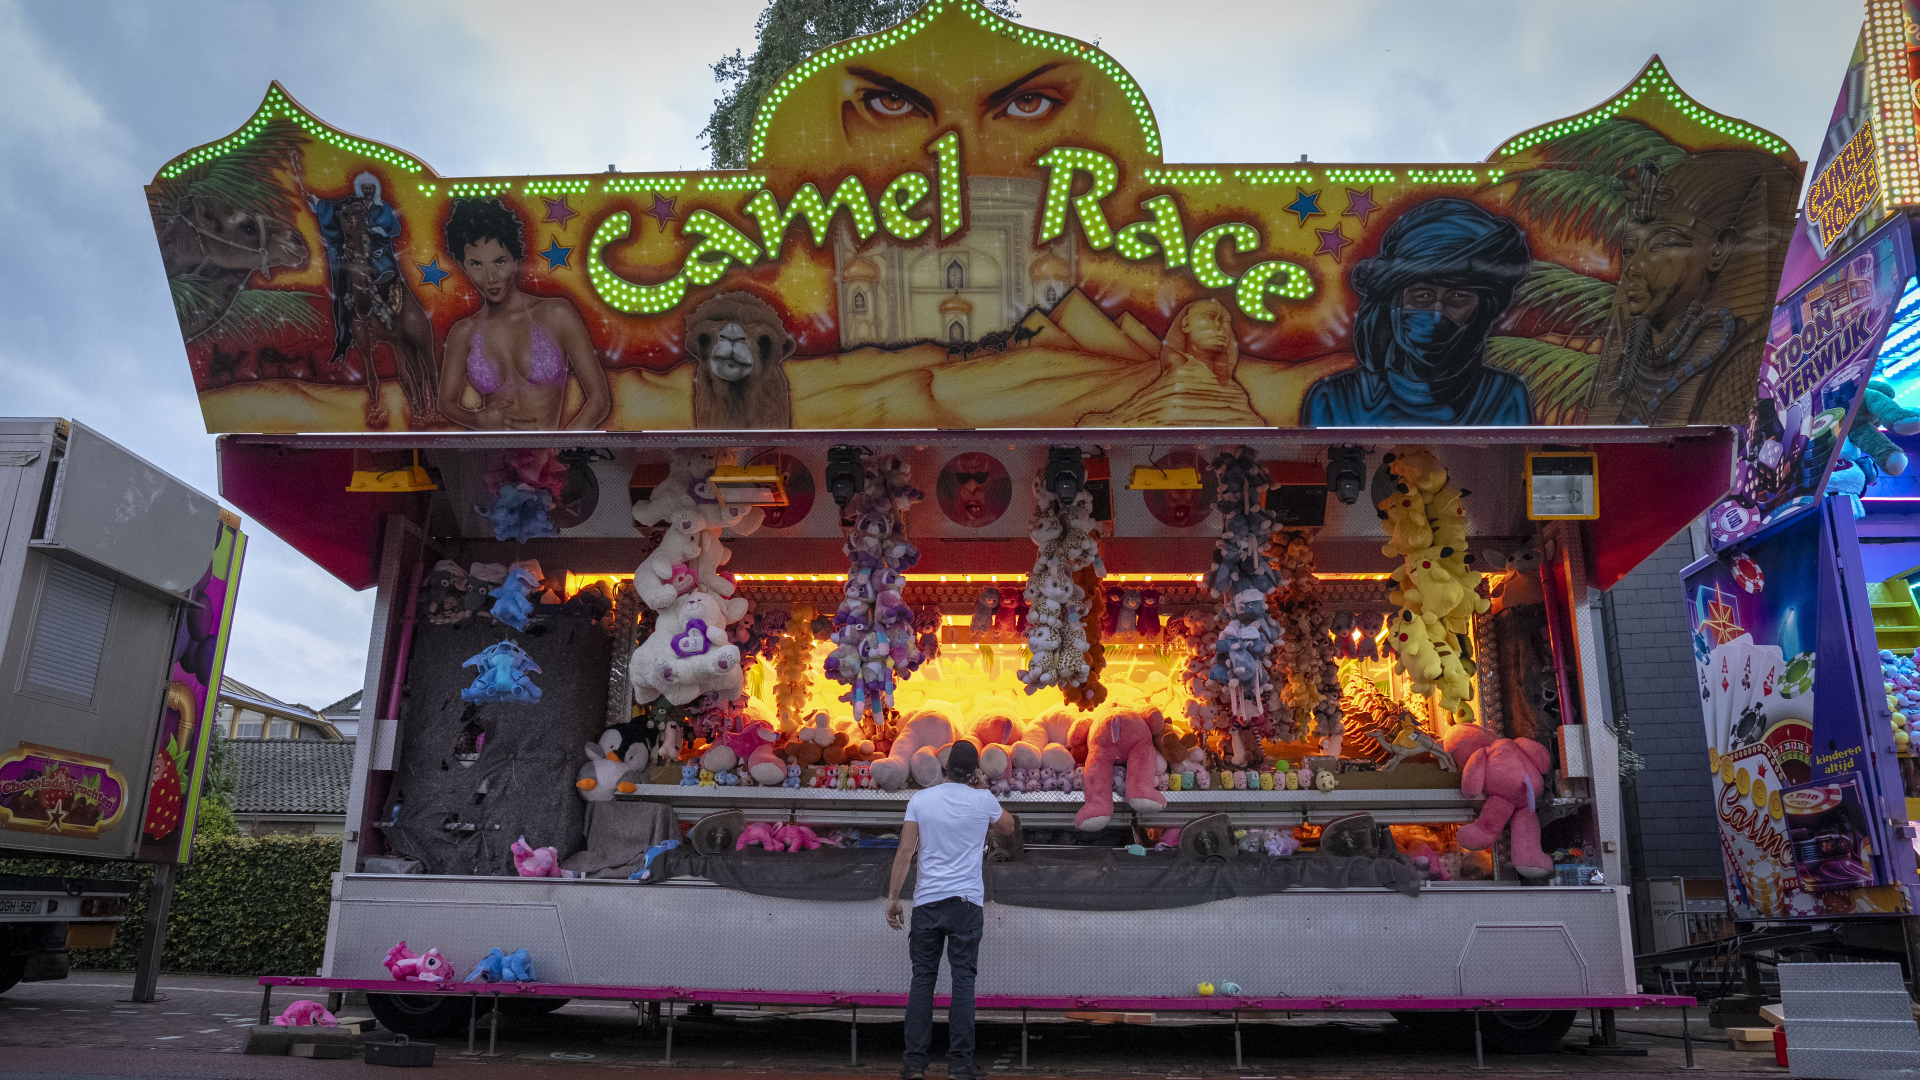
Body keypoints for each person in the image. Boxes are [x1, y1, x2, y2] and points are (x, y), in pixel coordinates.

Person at [1301, 198, 1533, 427]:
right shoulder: (1334, 400)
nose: (1436, 316)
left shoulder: (1503, 396)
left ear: (1484, 308)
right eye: (1422, 296)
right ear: (1393, 302)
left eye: (1457, 297)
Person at [885, 740, 1017, 1080]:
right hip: (965, 904)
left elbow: (904, 851)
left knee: (922, 982)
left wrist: (894, 898)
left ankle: (914, 1064)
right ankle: (960, 1065)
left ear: (945, 768)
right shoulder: (983, 800)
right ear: (973, 771)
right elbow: (1009, 827)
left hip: (927, 903)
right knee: (963, 983)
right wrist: (983, 789)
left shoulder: (921, 800)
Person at [437, 197, 612, 431]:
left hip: (552, 460)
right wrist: (477, 419)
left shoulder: (556, 313)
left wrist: (560, 446)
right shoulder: (464, 332)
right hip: (494, 457)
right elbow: (445, 403)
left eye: (499, 261)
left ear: (517, 260)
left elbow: (599, 399)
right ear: (464, 265)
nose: (490, 277)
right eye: (477, 264)